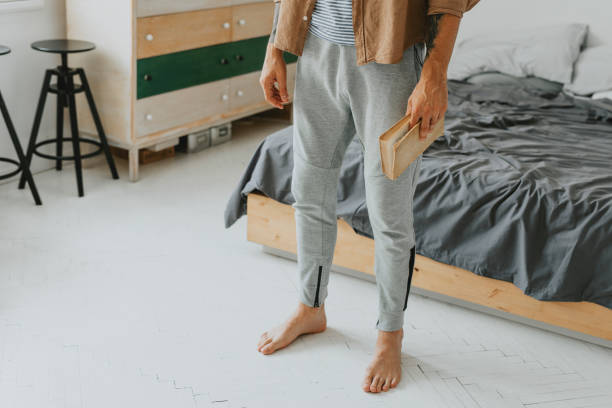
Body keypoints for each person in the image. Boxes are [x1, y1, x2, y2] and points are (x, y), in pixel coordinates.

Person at [257, 0, 479, 393]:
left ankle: (390, 334)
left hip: (389, 60)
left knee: (389, 213)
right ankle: (310, 307)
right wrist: (275, 47)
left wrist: (434, 72)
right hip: (316, 50)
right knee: (308, 192)